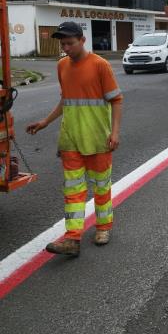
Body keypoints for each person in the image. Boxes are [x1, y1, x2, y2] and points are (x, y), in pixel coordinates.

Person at [26, 21, 123, 257]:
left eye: (70, 43)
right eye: (63, 44)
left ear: (82, 40)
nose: (66, 48)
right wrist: (45, 122)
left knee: (101, 188)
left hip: (98, 139)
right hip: (70, 139)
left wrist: (115, 132)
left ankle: (103, 227)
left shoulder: (100, 65)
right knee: (73, 191)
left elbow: (116, 100)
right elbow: (66, 100)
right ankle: (72, 238)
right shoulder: (61, 66)